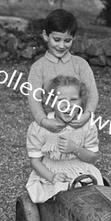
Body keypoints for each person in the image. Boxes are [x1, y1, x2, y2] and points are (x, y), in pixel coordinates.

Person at [25, 75, 103, 203]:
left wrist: (75, 148)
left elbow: (93, 158)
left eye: (73, 99)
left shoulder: (87, 127)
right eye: (60, 99)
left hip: (81, 169)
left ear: (81, 102)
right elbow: (35, 161)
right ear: (51, 102)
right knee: (62, 193)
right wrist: (52, 177)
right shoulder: (40, 128)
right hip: (51, 171)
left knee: (95, 194)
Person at [27, 9, 99, 133]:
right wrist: (43, 121)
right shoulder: (38, 67)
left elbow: (92, 93)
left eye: (67, 41)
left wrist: (86, 115)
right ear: (45, 36)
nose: (61, 46)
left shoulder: (81, 64)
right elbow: (34, 98)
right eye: (57, 39)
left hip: (77, 126)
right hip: (49, 127)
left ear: (73, 38)